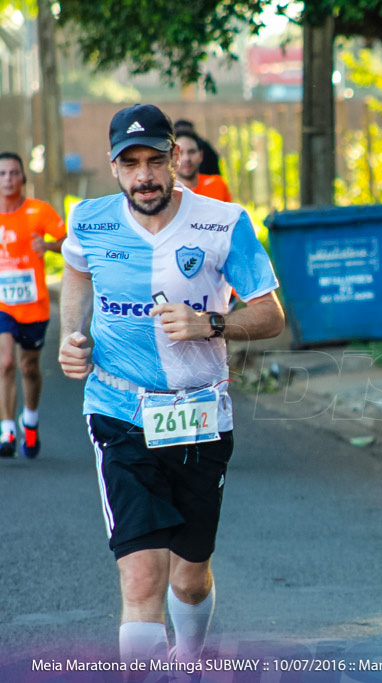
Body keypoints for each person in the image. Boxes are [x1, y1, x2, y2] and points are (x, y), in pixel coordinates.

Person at [58, 104, 285, 665]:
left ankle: (190, 658)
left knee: (189, 577)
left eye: (155, 160)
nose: (145, 176)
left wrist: (211, 323)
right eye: (130, 163)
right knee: (141, 582)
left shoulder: (223, 222)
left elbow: (271, 314)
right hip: (117, 408)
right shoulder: (89, 220)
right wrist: (70, 335)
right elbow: (77, 276)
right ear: (114, 167)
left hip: (200, 411)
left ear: (176, 158)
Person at [0, 152, 66, 458]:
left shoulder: (39, 211)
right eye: (2, 174)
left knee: (28, 367)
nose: (8, 179)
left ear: (23, 178)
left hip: (33, 305)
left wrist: (49, 245)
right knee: (6, 363)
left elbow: (69, 241)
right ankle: (7, 430)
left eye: (13, 173)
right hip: (3, 305)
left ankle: (30, 420)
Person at [173, 129, 232, 202]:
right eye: (180, 153)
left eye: (191, 152)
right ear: (172, 157)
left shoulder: (217, 185)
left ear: (201, 155)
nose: (187, 158)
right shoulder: (166, 193)